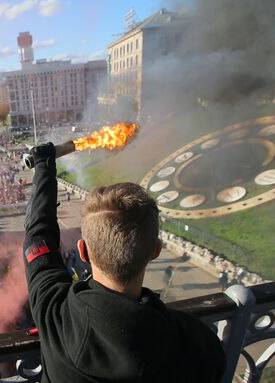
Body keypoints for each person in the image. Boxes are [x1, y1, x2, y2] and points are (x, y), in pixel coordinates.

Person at [23, 143, 225, 383]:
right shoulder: (193, 342)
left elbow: (37, 237)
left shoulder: (55, 314)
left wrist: (44, 166)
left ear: (83, 252)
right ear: (155, 251)